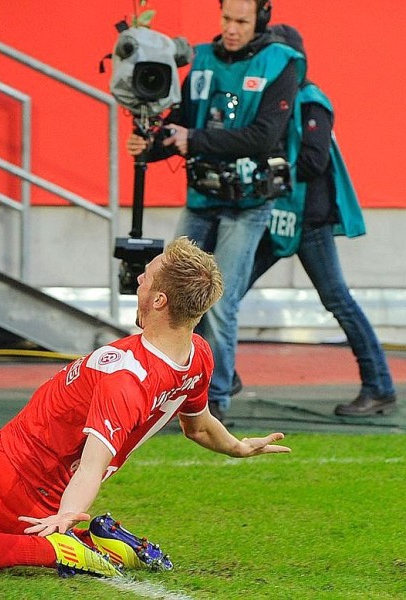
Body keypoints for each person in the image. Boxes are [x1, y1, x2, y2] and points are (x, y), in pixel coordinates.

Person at [0, 237, 291, 577]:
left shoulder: (128, 377)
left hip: (11, 470)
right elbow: (198, 427)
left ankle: (62, 549)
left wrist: (68, 517)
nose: (139, 279)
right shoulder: (196, 354)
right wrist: (237, 447)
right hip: (43, 480)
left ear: (160, 300)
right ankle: (94, 542)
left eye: (146, 275)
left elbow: (94, 462)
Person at [127, 0, 305, 422]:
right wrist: (150, 148)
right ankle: (162, 390)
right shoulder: (203, 59)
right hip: (202, 200)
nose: (231, 28)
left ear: (261, 18)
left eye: (241, 21)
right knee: (165, 294)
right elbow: (184, 121)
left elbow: (263, 137)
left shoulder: (283, 62)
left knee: (220, 304)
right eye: (225, 18)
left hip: (249, 205)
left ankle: (216, 402)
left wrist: (195, 140)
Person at [242, 25, 397, 417]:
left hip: (308, 221)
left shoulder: (312, 101)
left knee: (338, 301)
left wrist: (266, 168)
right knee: (225, 296)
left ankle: (379, 386)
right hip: (277, 214)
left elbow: (313, 162)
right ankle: (221, 377)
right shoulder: (273, 100)